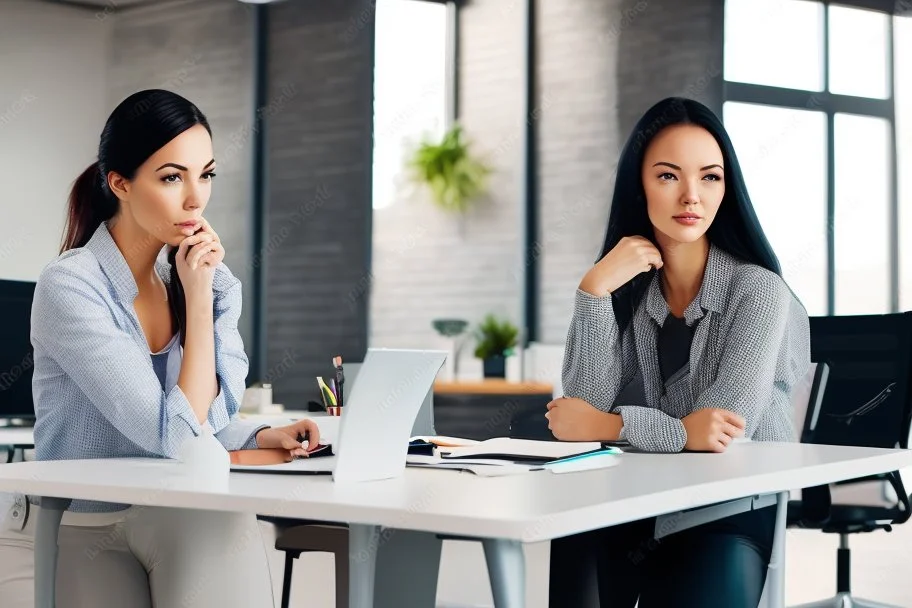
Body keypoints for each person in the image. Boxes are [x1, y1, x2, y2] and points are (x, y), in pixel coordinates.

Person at [0, 89, 320, 607]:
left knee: (221, 520)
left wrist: (260, 431)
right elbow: (172, 435)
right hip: (83, 520)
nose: (196, 198)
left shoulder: (210, 282)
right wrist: (196, 302)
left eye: (206, 174)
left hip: (174, 504)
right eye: (173, 177)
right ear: (120, 183)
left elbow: (204, 420)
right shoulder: (72, 286)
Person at [545, 97, 811, 608]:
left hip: (728, 507)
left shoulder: (759, 291)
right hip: (643, 497)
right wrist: (595, 290)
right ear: (638, 185)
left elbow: (720, 430)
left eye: (710, 177)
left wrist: (611, 427)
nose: (692, 195)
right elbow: (582, 403)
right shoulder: (634, 289)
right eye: (668, 176)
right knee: (576, 535)